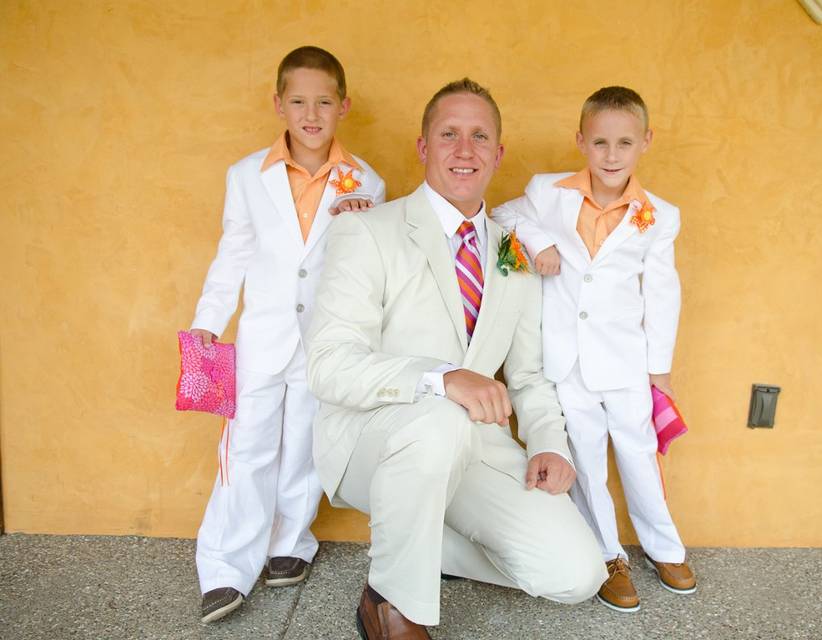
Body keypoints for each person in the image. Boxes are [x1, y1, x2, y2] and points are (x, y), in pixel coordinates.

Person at [305, 78, 607, 639]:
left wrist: (546, 441)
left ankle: (413, 542)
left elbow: (528, 375)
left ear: (499, 153)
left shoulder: (511, 254)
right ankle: (394, 605)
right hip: (373, 440)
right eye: (448, 134)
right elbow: (327, 364)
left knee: (575, 574)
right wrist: (443, 377)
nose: (464, 150)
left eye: (479, 136)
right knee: (441, 415)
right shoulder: (366, 230)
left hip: (473, 447)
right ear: (423, 146)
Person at [189, 46, 385, 623]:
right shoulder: (246, 175)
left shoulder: (367, 181)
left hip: (325, 338)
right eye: (298, 101)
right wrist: (207, 321)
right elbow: (233, 253)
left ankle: (288, 543)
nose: (311, 114)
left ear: (343, 106)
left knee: (304, 441)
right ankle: (225, 566)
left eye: (324, 102)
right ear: (278, 104)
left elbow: (366, 266)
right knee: (246, 446)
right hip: (261, 336)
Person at [491, 86, 696, 613]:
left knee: (638, 453)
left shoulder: (660, 216)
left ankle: (663, 547)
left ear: (645, 142)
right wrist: (541, 243)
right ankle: (608, 555)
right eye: (600, 142)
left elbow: (664, 293)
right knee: (584, 457)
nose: (611, 155)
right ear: (580, 140)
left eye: (624, 143)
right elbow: (506, 216)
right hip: (565, 360)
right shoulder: (546, 190)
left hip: (626, 360)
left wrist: (659, 371)